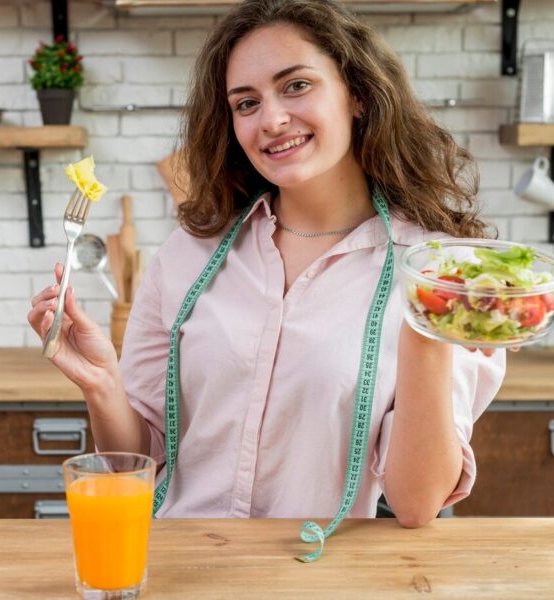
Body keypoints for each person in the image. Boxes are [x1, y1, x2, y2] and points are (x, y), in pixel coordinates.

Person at [27, 0, 505, 535]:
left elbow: (417, 504)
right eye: (246, 102)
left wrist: (428, 329)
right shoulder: (189, 256)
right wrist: (101, 384)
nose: (272, 119)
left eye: (297, 85)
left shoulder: (439, 272)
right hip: (184, 565)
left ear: (360, 96)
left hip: (319, 576)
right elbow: (140, 458)